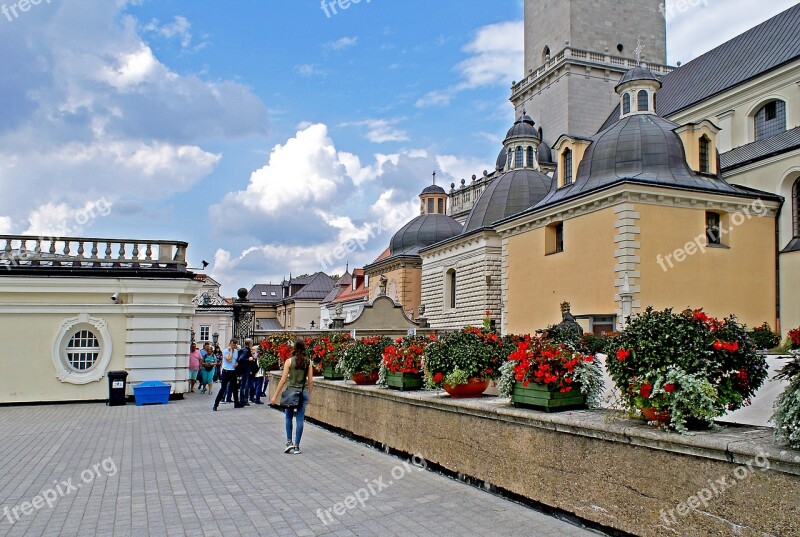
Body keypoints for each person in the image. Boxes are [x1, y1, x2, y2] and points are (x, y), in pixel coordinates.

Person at [270, 339, 313, 454]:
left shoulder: (289, 361)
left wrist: (275, 396)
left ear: (294, 348)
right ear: (304, 349)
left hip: (291, 392)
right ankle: (297, 446)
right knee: (300, 419)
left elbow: (283, 380)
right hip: (303, 392)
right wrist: (310, 395)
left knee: (288, 417)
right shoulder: (308, 362)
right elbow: (310, 381)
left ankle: (289, 442)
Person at [213, 339, 242, 411]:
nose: (233, 346)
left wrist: (236, 363)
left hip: (233, 371)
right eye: (232, 344)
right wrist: (231, 351)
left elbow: (236, 360)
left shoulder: (236, 352)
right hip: (226, 371)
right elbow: (229, 359)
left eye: (235, 345)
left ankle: (236, 403)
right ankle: (216, 404)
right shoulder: (225, 351)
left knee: (235, 388)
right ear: (230, 344)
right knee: (223, 388)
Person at [236, 339, 254, 406]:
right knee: (244, 385)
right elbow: (241, 359)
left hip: (245, 370)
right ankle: (242, 400)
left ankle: (243, 400)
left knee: (244, 385)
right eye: (251, 343)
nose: (252, 344)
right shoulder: (246, 350)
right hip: (245, 370)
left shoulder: (246, 350)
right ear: (249, 343)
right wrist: (248, 359)